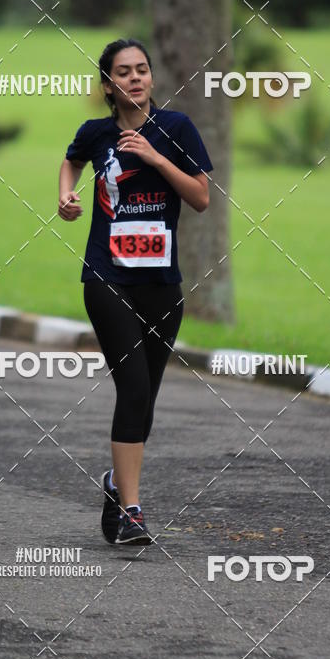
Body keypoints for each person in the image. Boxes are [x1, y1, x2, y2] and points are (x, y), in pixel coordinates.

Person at [58, 39, 212, 545]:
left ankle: (113, 482)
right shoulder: (95, 133)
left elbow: (201, 199)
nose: (135, 79)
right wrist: (66, 195)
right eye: (123, 72)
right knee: (134, 389)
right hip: (107, 278)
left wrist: (156, 158)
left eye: (142, 69)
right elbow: (72, 161)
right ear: (108, 84)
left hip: (161, 283)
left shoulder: (177, 128)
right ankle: (133, 511)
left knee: (145, 398)